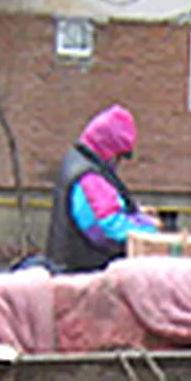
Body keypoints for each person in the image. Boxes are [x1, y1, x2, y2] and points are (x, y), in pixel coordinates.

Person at [45, 104, 161, 273]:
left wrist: (136, 214)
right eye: (120, 155)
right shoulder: (89, 177)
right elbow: (107, 228)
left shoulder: (77, 163)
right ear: (110, 149)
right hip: (83, 278)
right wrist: (148, 228)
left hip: (68, 272)